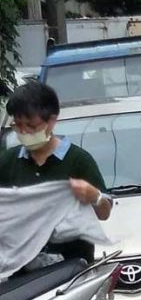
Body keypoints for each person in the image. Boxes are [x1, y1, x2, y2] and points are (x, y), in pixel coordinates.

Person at [0, 82, 112, 262]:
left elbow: (104, 213)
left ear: (51, 121)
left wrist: (94, 196)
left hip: (71, 270)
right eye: (18, 125)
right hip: (21, 273)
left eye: (31, 125)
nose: (24, 132)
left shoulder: (78, 160)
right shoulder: (8, 161)